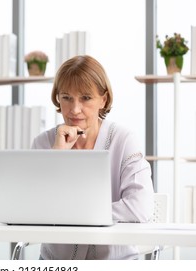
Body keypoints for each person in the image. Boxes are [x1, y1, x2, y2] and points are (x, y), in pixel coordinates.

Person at [32, 55, 154, 260]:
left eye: (86, 98)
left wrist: (77, 214)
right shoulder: (44, 143)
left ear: (103, 99)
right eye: (66, 97)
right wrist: (56, 157)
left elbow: (140, 207)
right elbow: (34, 209)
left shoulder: (123, 140)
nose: (74, 109)